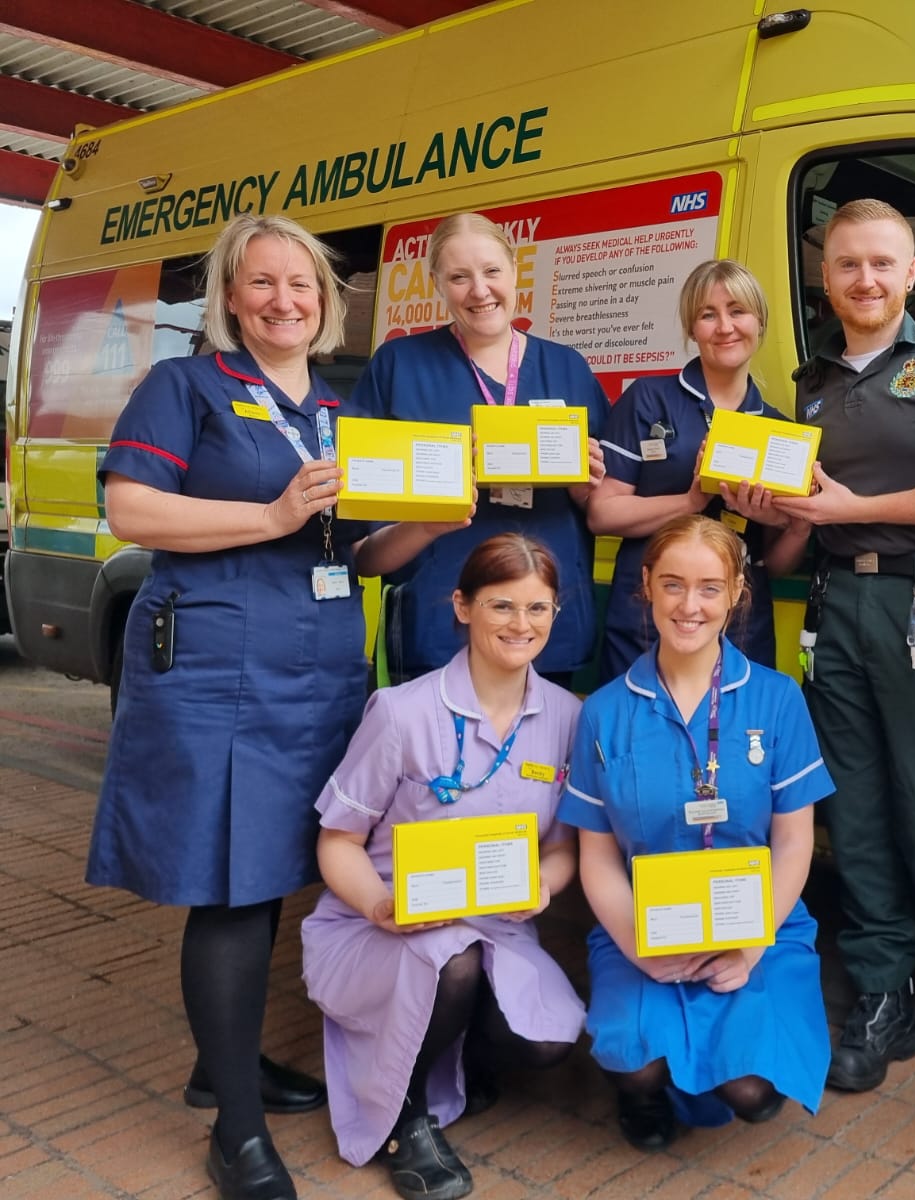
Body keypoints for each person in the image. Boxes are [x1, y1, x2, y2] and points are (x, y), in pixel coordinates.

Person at [87, 213, 461, 1200]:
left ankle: (229, 1062)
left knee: (303, 870)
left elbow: (353, 557)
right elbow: (129, 508)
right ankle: (237, 1134)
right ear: (230, 297)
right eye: (262, 284)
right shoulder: (186, 387)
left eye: (301, 285)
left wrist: (424, 525)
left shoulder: (342, 414)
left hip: (326, 673)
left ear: (328, 301)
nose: (283, 300)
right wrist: (270, 514)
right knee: (235, 883)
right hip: (221, 672)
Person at [769, 199, 915, 1092]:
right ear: (826, 279)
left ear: (911, 273)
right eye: (845, 266)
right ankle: (881, 995)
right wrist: (784, 515)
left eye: (881, 264)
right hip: (836, 611)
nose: (863, 280)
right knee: (858, 815)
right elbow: (803, 511)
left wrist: (852, 509)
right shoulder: (810, 381)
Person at [302, 533, 585, 1200]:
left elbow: (562, 848)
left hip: (497, 924)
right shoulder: (401, 713)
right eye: (502, 606)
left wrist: (544, 886)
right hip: (382, 925)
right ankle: (404, 1119)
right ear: (461, 607)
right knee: (450, 964)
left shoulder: (569, 718)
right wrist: (377, 904)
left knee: (548, 1044)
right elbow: (336, 842)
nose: (522, 625)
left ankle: (448, 1054)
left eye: (538, 609)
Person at [557, 515, 833, 1150]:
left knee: (753, 1094)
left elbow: (794, 843)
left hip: (756, 918)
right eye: (673, 584)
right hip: (644, 922)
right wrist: (637, 946)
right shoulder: (603, 711)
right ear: (646, 585)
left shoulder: (776, 699)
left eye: (710, 588)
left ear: (738, 593)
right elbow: (596, 858)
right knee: (636, 1064)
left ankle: (717, 1064)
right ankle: (646, 1093)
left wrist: (752, 946)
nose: (689, 606)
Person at [352, 211, 611, 687]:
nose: (479, 290)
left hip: (546, 630)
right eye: (458, 277)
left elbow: (604, 509)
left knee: (539, 761)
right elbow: (365, 549)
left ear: (515, 271)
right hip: (437, 628)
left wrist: (584, 486)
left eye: (492, 271)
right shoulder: (399, 366)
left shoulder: (568, 368)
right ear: (436, 283)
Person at [588, 259, 809, 682]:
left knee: (735, 743)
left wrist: (792, 524)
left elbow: (777, 564)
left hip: (741, 623)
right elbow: (602, 514)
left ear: (759, 321)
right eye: (708, 315)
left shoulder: (781, 431)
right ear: (692, 328)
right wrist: (692, 501)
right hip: (648, 617)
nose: (725, 326)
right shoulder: (649, 399)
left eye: (737, 311)